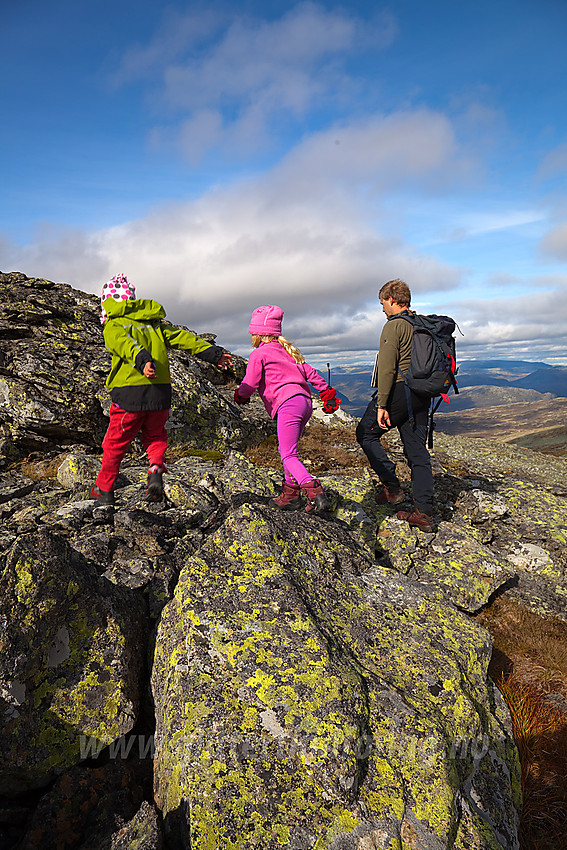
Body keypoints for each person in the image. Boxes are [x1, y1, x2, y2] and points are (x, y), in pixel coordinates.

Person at [90, 273, 232, 506]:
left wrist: (142, 360)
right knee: (155, 435)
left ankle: (104, 492)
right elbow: (183, 338)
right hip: (160, 393)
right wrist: (213, 354)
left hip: (129, 395)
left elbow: (126, 345)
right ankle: (155, 470)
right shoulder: (153, 323)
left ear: (108, 301)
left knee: (114, 443)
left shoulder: (114, 324)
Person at [233, 305, 341, 514]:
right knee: (290, 451)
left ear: (258, 333)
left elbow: (250, 382)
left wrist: (240, 396)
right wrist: (327, 394)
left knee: (287, 454)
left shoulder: (259, 354)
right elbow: (311, 373)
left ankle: (314, 491)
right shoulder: (288, 352)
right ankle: (291, 495)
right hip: (305, 403)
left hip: (287, 405)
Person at [356, 279, 435, 532]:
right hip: (422, 393)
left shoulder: (394, 326)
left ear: (392, 299)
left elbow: (388, 369)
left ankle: (392, 488)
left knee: (366, 434)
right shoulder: (420, 324)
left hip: (399, 392)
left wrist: (382, 403)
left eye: (382, 303)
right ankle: (423, 512)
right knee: (417, 452)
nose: (382, 309)